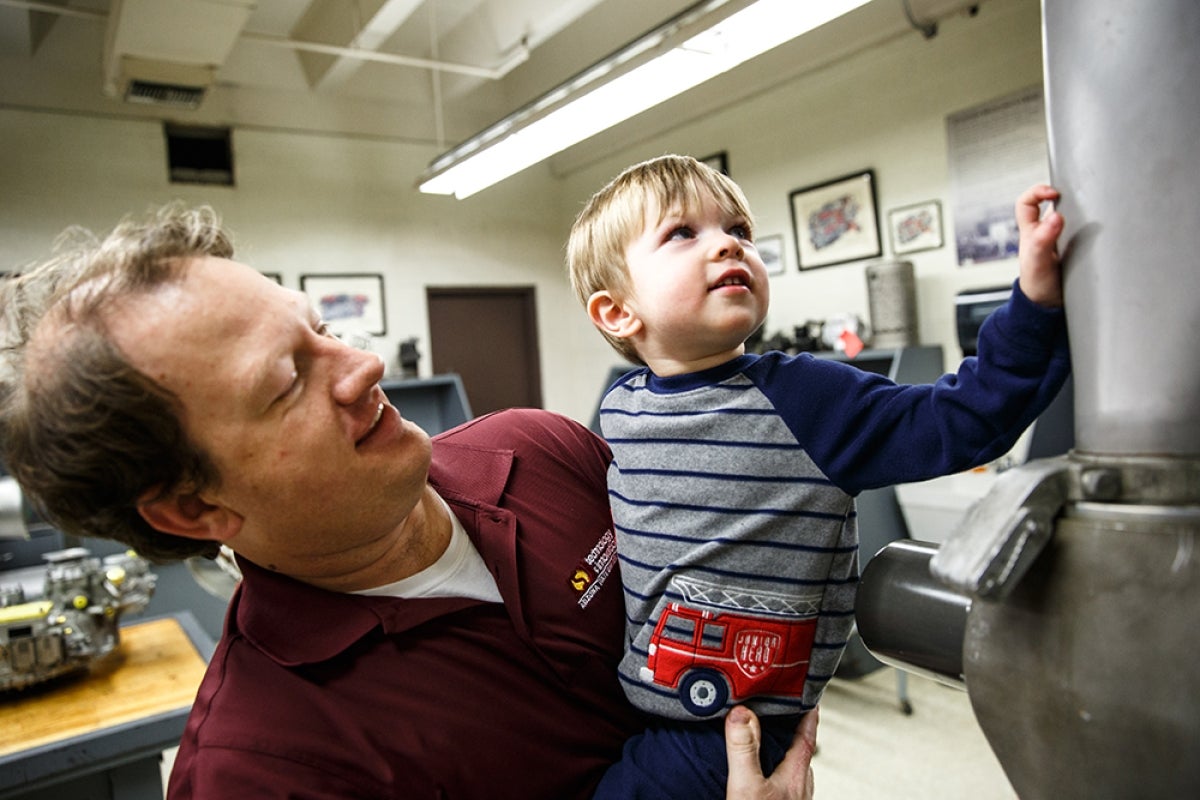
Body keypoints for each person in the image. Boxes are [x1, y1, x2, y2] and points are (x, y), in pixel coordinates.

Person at [0, 204, 818, 800]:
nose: (360, 367)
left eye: (320, 329)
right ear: (191, 509)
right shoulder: (259, 773)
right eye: (288, 381)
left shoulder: (542, 449)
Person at [567, 154, 1069, 796]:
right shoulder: (622, 408)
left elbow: (964, 418)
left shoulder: (809, 399)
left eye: (739, 230)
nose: (728, 243)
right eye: (682, 233)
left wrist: (1032, 305)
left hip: (728, 735)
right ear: (617, 314)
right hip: (634, 705)